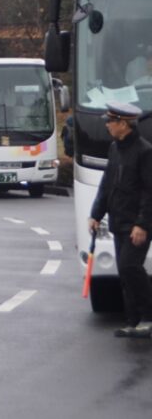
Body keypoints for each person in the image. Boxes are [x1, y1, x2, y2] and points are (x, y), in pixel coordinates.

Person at [88, 101, 152, 338]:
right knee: (124, 272)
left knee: (129, 266)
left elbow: (149, 191)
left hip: (137, 224)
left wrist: (143, 224)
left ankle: (148, 315)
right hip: (118, 220)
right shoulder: (115, 149)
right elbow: (107, 186)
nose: (107, 126)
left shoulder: (145, 151)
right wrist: (96, 214)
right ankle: (133, 320)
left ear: (123, 124)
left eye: (110, 121)